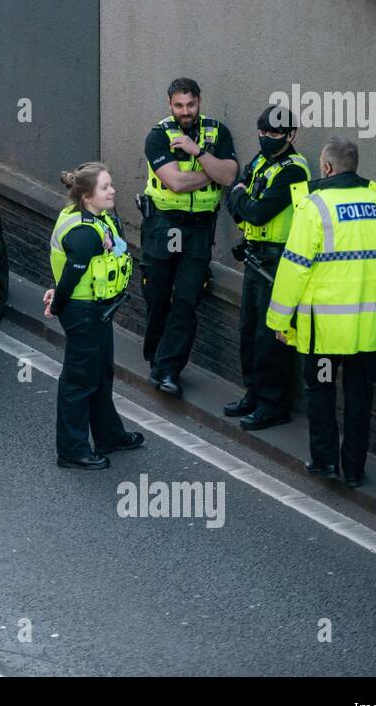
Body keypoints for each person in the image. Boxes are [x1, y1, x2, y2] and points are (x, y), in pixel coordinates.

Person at [266, 135, 376, 488]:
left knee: (321, 390)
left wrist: (279, 320)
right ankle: (354, 469)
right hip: (367, 328)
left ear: (326, 168)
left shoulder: (315, 207)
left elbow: (294, 267)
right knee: (359, 397)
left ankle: (325, 462)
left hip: (325, 328)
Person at [139, 77, 239, 396]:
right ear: (170, 105)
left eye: (191, 104)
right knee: (157, 296)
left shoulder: (216, 132)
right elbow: (176, 183)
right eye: (179, 106)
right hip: (163, 225)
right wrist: (212, 168)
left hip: (198, 229)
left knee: (186, 299)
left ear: (199, 101)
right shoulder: (158, 136)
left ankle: (168, 370)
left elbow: (230, 175)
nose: (186, 111)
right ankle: (156, 357)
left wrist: (197, 152)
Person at [43, 163, 145, 469]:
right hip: (84, 314)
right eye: (105, 187)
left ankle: (109, 436)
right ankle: (72, 450)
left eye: (110, 185)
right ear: (87, 197)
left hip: (98, 311)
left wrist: (58, 293)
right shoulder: (85, 233)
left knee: (100, 375)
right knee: (78, 382)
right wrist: (57, 305)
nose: (112, 190)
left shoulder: (96, 218)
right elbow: (72, 277)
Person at [223, 104, 311, 430]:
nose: (266, 139)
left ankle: (273, 404)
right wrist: (242, 200)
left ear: (291, 135)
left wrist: (241, 198)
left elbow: (258, 213)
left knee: (270, 335)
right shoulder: (262, 160)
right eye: (262, 133)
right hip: (254, 255)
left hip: (278, 262)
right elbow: (236, 202)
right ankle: (253, 393)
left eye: (274, 134)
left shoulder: (294, 170)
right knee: (247, 328)